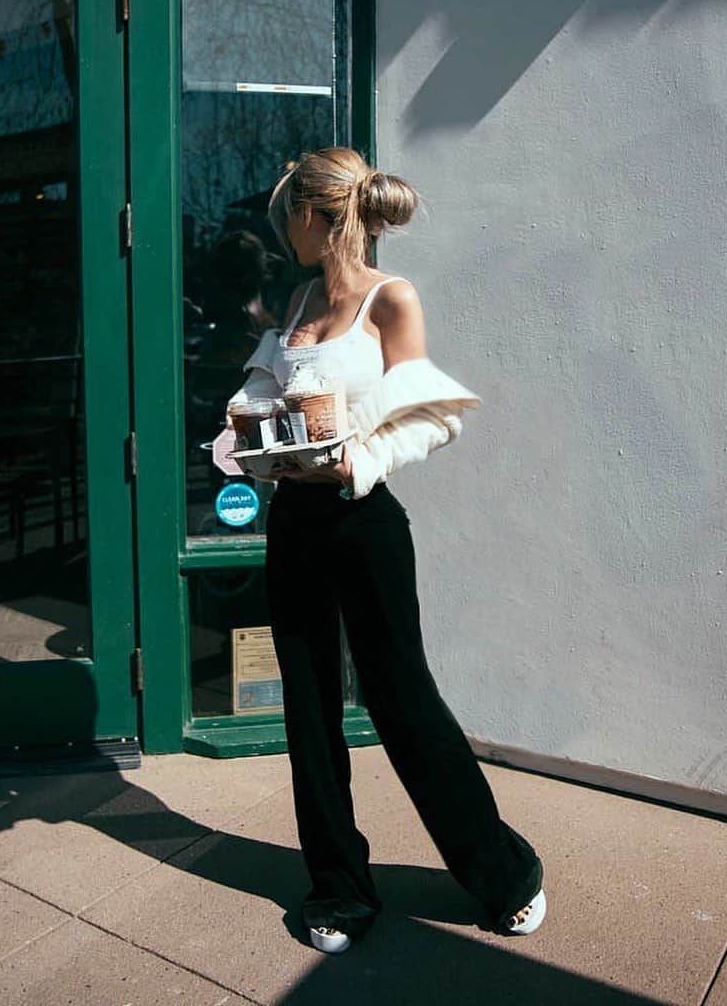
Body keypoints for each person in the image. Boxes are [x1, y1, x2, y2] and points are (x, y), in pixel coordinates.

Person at [225, 147, 545, 954]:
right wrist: (252, 436)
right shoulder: (294, 299)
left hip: (362, 521)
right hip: (293, 520)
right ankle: (338, 887)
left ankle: (504, 873)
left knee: (403, 702)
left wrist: (356, 460)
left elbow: (434, 417)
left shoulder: (388, 300)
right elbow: (260, 401)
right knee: (307, 709)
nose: (280, 229)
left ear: (314, 214)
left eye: (285, 214)